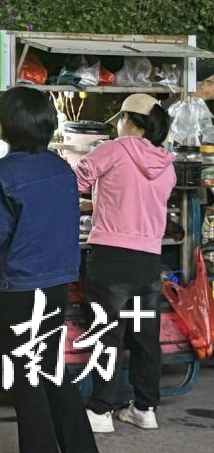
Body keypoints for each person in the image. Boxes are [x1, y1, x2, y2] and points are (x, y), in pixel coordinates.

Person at [0, 86, 95, 453]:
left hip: (16, 285)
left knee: (26, 376)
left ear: (7, 124)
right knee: (51, 367)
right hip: (56, 281)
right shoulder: (61, 169)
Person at [76, 93, 176, 434]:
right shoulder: (166, 163)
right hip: (148, 260)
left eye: (120, 119)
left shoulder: (113, 150)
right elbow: (138, 200)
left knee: (107, 334)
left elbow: (74, 182)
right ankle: (145, 408)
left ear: (129, 120)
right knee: (145, 336)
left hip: (112, 258)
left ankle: (101, 410)